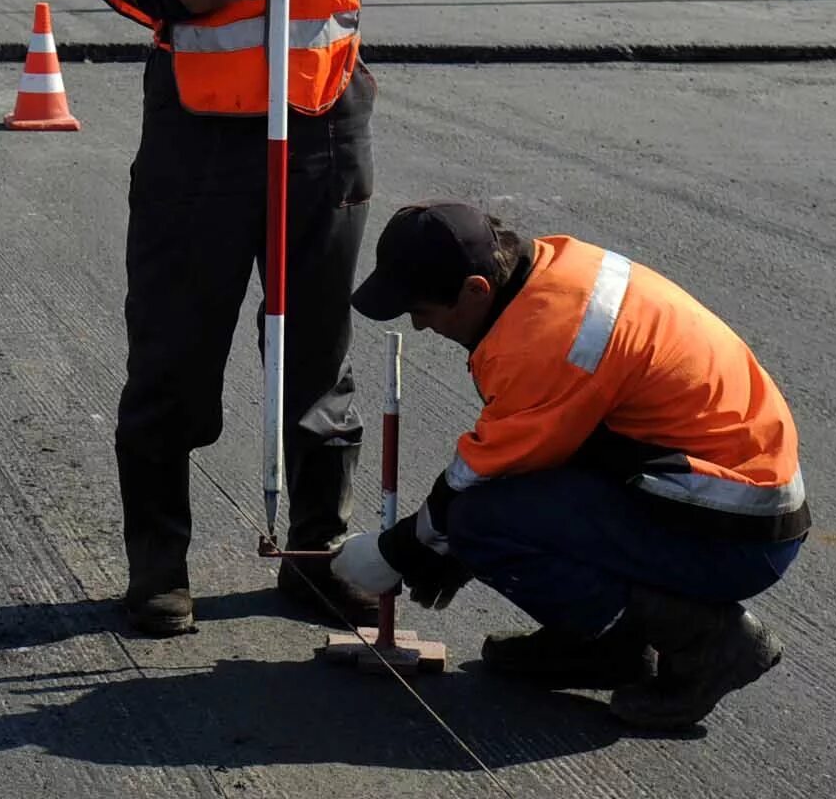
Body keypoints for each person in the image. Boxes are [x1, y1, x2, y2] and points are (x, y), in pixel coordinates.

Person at [98, 0, 422, 638]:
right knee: (174, 349)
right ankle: (158, 563)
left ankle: (316, 557)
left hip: (320, 121)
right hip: (199, 130)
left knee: (315, 358)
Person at [334, 202, 808, 728]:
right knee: (499, 505)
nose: (420, 327)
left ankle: (707, 642)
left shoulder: (549, 339)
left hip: (733, 534)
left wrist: (402, 550)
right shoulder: (551, 270)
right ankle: (600, 639)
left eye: (422, 310)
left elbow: (472, 479)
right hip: (717, 489)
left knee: (480, 521)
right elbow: (530, 448)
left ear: (475, 290)